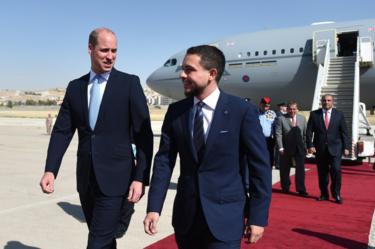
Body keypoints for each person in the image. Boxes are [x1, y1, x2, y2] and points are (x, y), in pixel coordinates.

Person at [143, 45, 271, 249]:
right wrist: (154, 208)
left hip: (225, 219)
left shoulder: (241, 111)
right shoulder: (176, 112)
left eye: (189, 69)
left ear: (212, 74)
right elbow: (164, 162)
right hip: (187, 218)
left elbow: (260, 168)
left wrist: (257, 216)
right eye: (182, 69)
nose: (182, 75)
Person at [39, 27, 153, 248]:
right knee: (104, 238)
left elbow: (144, 135)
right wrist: (50, 169)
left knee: (97, 242)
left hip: (117, 180)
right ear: (90, 49)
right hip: (86, 179)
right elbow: (62, 131)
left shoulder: (129, 84)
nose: (110, 56)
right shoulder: (76, 87)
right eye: (104, 50)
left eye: (114, 51)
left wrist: (140, 178)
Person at [306, 94, 350, 204]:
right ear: (322, 102)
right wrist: (310, 145)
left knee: (336, 170)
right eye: (324, 100)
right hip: (320, 149)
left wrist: (347, 147)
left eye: (329, 100)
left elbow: (344, 132)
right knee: (322, 173)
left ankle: (336, 194)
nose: (326, 102)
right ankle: (324, 194)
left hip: (335, 148)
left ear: (332, 102)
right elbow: (309, 131)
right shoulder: (314, 114)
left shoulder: (339, 114)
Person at [275, 101, 308, 196]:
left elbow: (305, 134)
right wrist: (280, 147)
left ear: (297, 109)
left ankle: (301, 189)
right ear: (287, 109)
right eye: (290, 109)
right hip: (286, 147)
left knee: (300, 169)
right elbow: (278, 134)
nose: (292, 111)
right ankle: (285, 187)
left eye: (294, 109)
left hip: (299, 147)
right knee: (284, 169)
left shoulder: (302, 119)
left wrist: (306, 147)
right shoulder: (281, 119)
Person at [258, 96, 277, 168]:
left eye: (268, 106)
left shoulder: (272, 113)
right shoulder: (255, 112)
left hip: (269, 140)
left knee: (269, 158)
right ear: (260, 104)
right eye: (264, 106)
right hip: (259, 139)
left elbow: (275, 125)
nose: (266, 108)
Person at [274, 102, 287, 169]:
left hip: (282, 134)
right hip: (279, 134)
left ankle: (279, 163)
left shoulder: (282, 114)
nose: (286, 108)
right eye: (285, 106)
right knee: (278, 149)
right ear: (281, 107)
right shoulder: (278, 114)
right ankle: (277, 163)